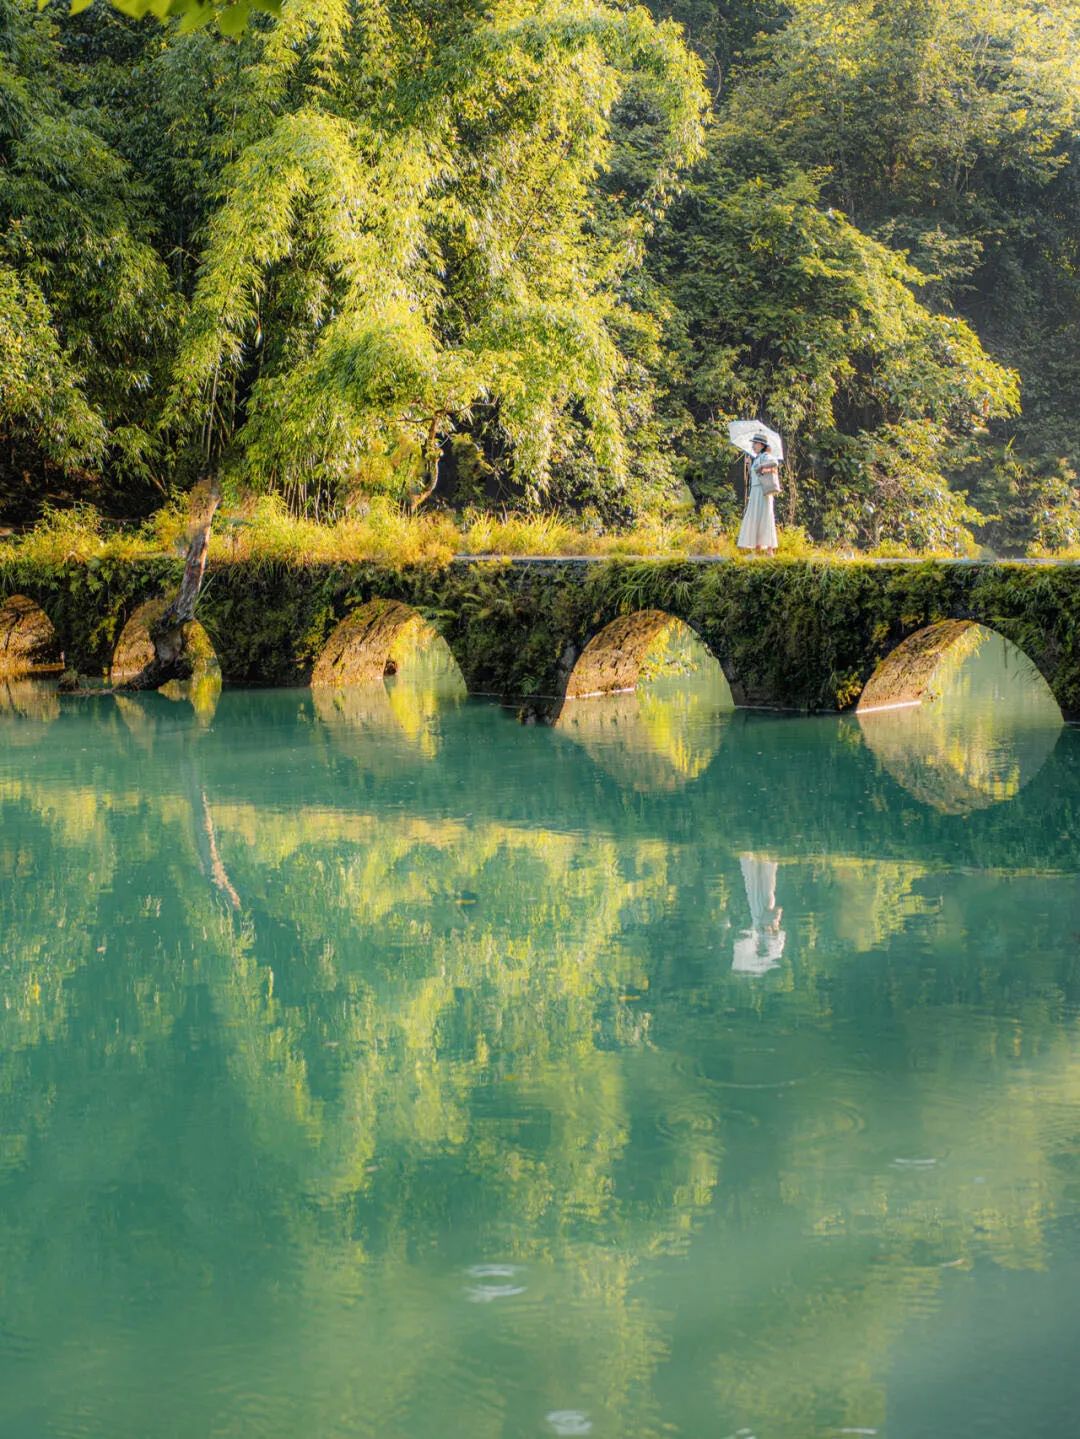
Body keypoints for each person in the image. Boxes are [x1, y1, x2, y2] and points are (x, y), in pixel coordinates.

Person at [737, 434, 780, 556]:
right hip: (755, 491)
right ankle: (758, 548)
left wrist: (761, 466)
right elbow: (755, 475)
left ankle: (769, 550)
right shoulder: (758, 458)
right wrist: (750, 464)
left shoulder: (765, 456)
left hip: (762, 491)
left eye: (755, 443)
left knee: (765, 516)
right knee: (756, 517)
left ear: (761, 445)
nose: (753, 446)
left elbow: (775, 462)